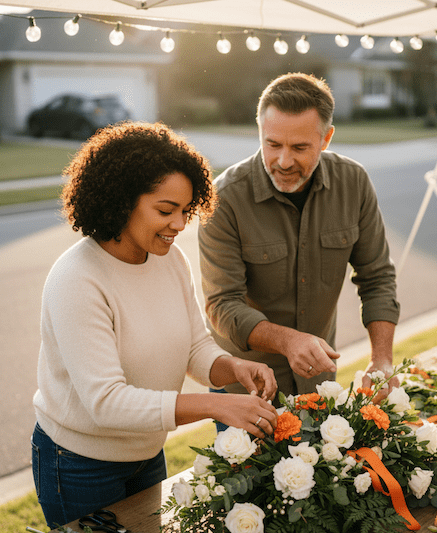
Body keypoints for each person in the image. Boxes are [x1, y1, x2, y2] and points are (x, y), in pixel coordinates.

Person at [31, 122, 279, 528]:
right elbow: (106, 402)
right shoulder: (77, 279)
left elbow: (196, 346)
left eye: (185, 210)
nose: (179, 225)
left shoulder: (170, 259)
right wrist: (216, 404)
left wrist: (233, 368)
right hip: (78, 465)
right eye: (165, 211)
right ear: (121, 200)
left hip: (146, 453)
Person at [198, 72, 400, 407]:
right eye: (272, 144)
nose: (284, 161)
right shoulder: (225, 198)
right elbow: (222, 304)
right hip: (244, 389)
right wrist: (287, 341)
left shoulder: (354, 182)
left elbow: (377, 278)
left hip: (319, 385)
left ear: (326, 138)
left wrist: (382, 360)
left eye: (300, 147)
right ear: (260, 132)